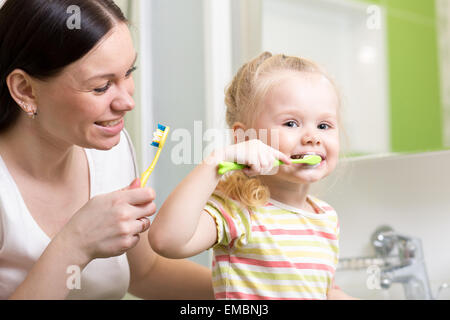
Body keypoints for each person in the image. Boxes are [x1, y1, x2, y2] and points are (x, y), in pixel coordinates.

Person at [0, 0, 213, 300]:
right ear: (25, 89)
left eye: (128, 72)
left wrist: (261, 287)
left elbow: (145, 273)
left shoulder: (110, 152)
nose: (127, 102)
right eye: (101, 87)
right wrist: (74, 244)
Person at [149, 52, 356, 300]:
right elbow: (166, 241)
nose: (313, 137)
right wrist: (216, 162)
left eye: (324, 125)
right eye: (291, 123)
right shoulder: (239, 211)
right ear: (244, 138)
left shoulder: (326, 218)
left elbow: (323, 289)